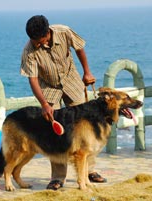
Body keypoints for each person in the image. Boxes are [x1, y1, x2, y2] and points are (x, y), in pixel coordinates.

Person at [20, 15, 107, 190]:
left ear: (47, 33)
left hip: (71, 80)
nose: (35, 43)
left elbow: (79, 49)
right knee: (55, 131)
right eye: (32, 40)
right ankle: (58, 177)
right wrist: (44, 104)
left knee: (86, 127)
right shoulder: (29, 50)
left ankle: (89, 171)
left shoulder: (63, 31)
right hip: (48, 87)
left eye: (38, 40)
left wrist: (87, 72)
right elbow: (33, 79)